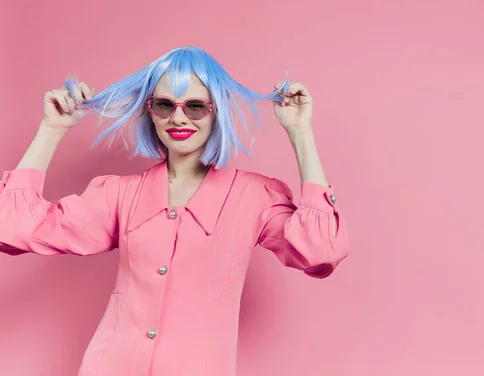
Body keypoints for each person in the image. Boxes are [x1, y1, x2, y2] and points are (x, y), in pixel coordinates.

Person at [0, 46, 349, 375]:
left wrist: (301, 133)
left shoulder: (254, 196)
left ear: (216, 111)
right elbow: (13, 226)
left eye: (195, 105)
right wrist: (52, 129)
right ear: (150, 111)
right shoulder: (120, 195)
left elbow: (320, 251)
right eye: (165, 105)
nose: (178, 118)